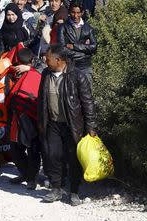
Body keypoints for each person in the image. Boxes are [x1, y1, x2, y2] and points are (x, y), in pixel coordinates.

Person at [38, 45, 97, 206]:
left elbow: (88, 102)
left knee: (73, 159)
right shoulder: (45, 74)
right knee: (53, 156)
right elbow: (41, 100)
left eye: (48, 58)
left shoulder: (77, 76)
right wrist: (41, 122)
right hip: (52, 124)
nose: (45, 61)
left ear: (59, 60)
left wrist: (91, 126)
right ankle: (56, 189)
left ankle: (74, 192)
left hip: (73, 125)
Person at [7, 48, 42, 190]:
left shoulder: (36, 74)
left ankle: (32, 178)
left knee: (33, 148)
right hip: (17, 117)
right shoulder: (13, 75)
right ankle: (25, 174)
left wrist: (30, 69)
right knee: (15, 148)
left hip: (32, 118)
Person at [57, 0, 97, 87]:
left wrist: (74, 46)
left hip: (85, 67)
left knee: (87, 95)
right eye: (73, 12)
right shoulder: (62, 28)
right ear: (69, 11)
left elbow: (94, 47)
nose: (75, 16)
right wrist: (84, 53)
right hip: (70, 66)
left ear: (82, 13)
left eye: (78, 13)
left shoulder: (89, 28)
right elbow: (62, 49)